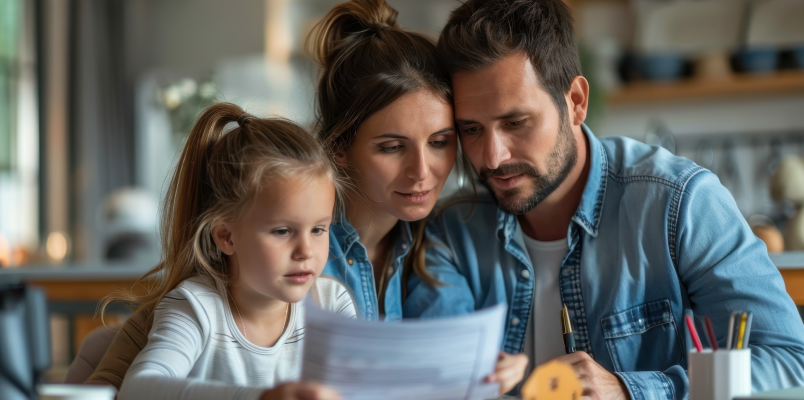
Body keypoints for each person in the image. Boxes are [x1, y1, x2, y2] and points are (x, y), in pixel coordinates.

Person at [87, 0, 527, 395]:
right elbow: (120, 379)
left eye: (440, 141)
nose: (422, 171)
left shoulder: (436, 244)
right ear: (340, 151)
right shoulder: (277, 260)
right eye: (391, 147)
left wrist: (489, 374)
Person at [404, 0, 804, 399]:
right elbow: (441, 383)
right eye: (471, 129)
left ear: (576, 101)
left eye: (515, 123)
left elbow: (790, 362)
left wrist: (630, 391)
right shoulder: (452, 230)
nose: (492, 157)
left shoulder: (681, 203)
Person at [110, 103, 353, 400]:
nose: (305, 251)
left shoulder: (333, 303)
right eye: (282, 231)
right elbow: (138, 389)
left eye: (318, 229)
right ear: (226, 236)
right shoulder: (196, 307)